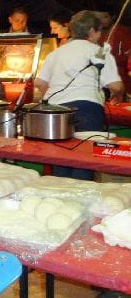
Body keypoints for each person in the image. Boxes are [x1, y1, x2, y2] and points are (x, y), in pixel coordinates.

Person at [34, 11, 124, 179]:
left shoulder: (57, 53)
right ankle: (80, 200)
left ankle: (61, 199)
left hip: (56, 112)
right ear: (91, 31)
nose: (100, 36)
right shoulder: (99, 53)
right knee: (83, 160)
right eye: (99, 32)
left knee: (61, 158)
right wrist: (117, 94)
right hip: (87, 109)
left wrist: (52, 96)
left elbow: (39, 83)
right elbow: (115, 85)